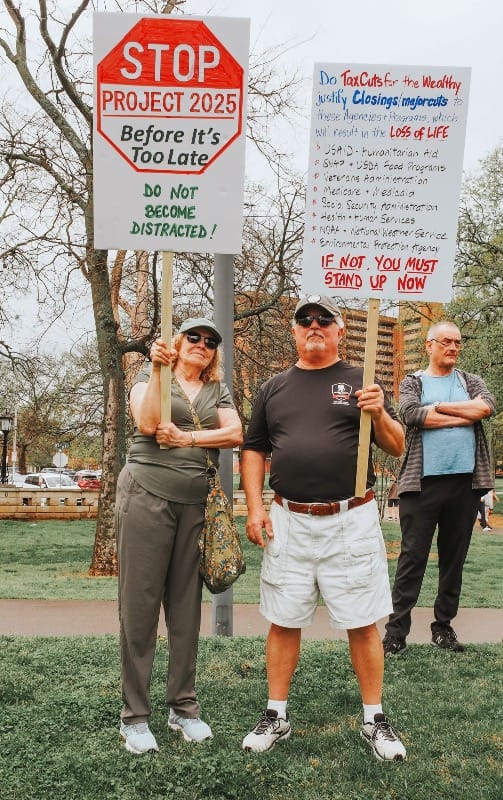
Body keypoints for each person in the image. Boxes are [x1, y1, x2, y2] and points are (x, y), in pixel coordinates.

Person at [240, 295, 407, 762]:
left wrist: (380, 413)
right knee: (283, 617)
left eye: (324, 320)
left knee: (361, 620)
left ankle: (374, 719)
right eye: (304, 321)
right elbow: (253, 450)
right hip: (288, 519)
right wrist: (256, 510)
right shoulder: (273, 388)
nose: (314, 325)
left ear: (339, 332)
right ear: (294, 333)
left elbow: (395, 446)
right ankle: (276, 715)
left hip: (350, 518)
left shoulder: (363, 380)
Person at [115, 318, 243, 754]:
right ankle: (134, 717)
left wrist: (189, 437)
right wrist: (155, 369)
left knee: (186, 609)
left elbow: (235, 432)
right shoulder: (150, 377)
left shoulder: (216, 391)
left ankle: (183, 709)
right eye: (194, 337)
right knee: (140, 605)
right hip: (146, 495)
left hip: (195, 506)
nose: (202, 345)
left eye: (210, 342)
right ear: (177, 341)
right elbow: (148, 423)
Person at [383, 321, 495, 656]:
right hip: (422, 484)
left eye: (457, 342)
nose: (452, 347)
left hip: (465, 484)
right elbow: (412, 414)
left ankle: (442, 628)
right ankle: (395, 633)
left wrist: (441, 409)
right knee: (412, 559)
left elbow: (487, 407)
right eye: (446, 341)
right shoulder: (413, 381)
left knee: (453, 561)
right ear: (429, 345)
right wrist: (464, 414)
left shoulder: (470, 381)